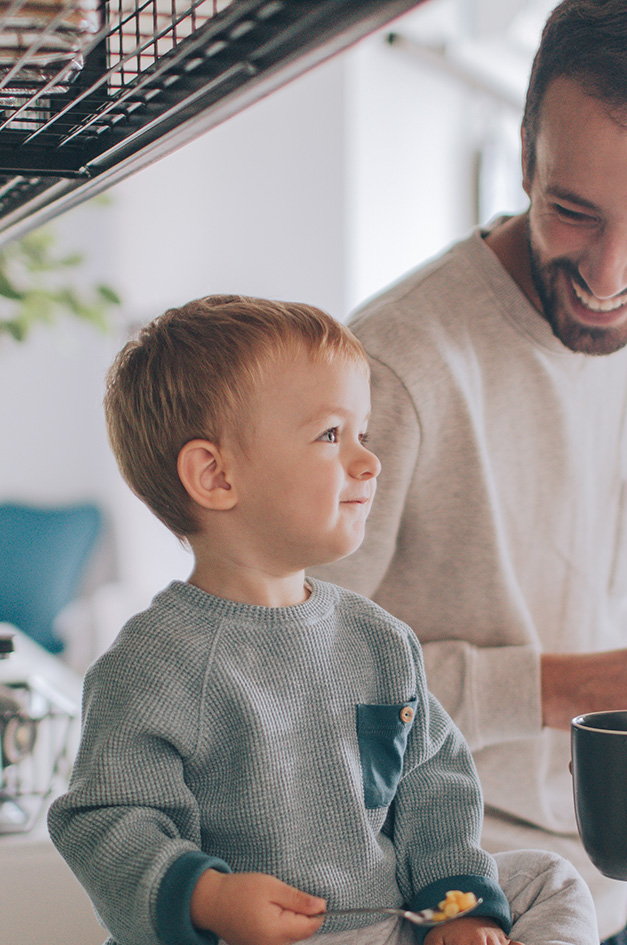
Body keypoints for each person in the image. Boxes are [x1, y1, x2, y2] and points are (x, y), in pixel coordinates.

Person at [311, 2, 627, 941]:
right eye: (573, 210)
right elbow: (297, 695)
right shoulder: (394, 364)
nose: (608, 274)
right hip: (450, 891)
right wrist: (565, 686)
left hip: (600, 869)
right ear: (527, 152)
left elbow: (591, 584)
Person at [48, 295, 598, 945]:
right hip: (249, 936)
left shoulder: (379, 639)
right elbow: (105, 818)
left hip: (382, 920)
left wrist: (461, 909)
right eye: (331, 435)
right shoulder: (153, 662)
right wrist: (210, 895)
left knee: (551, 879)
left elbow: (433, 782)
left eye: (363, 434)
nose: (369, 462)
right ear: (215, 474)